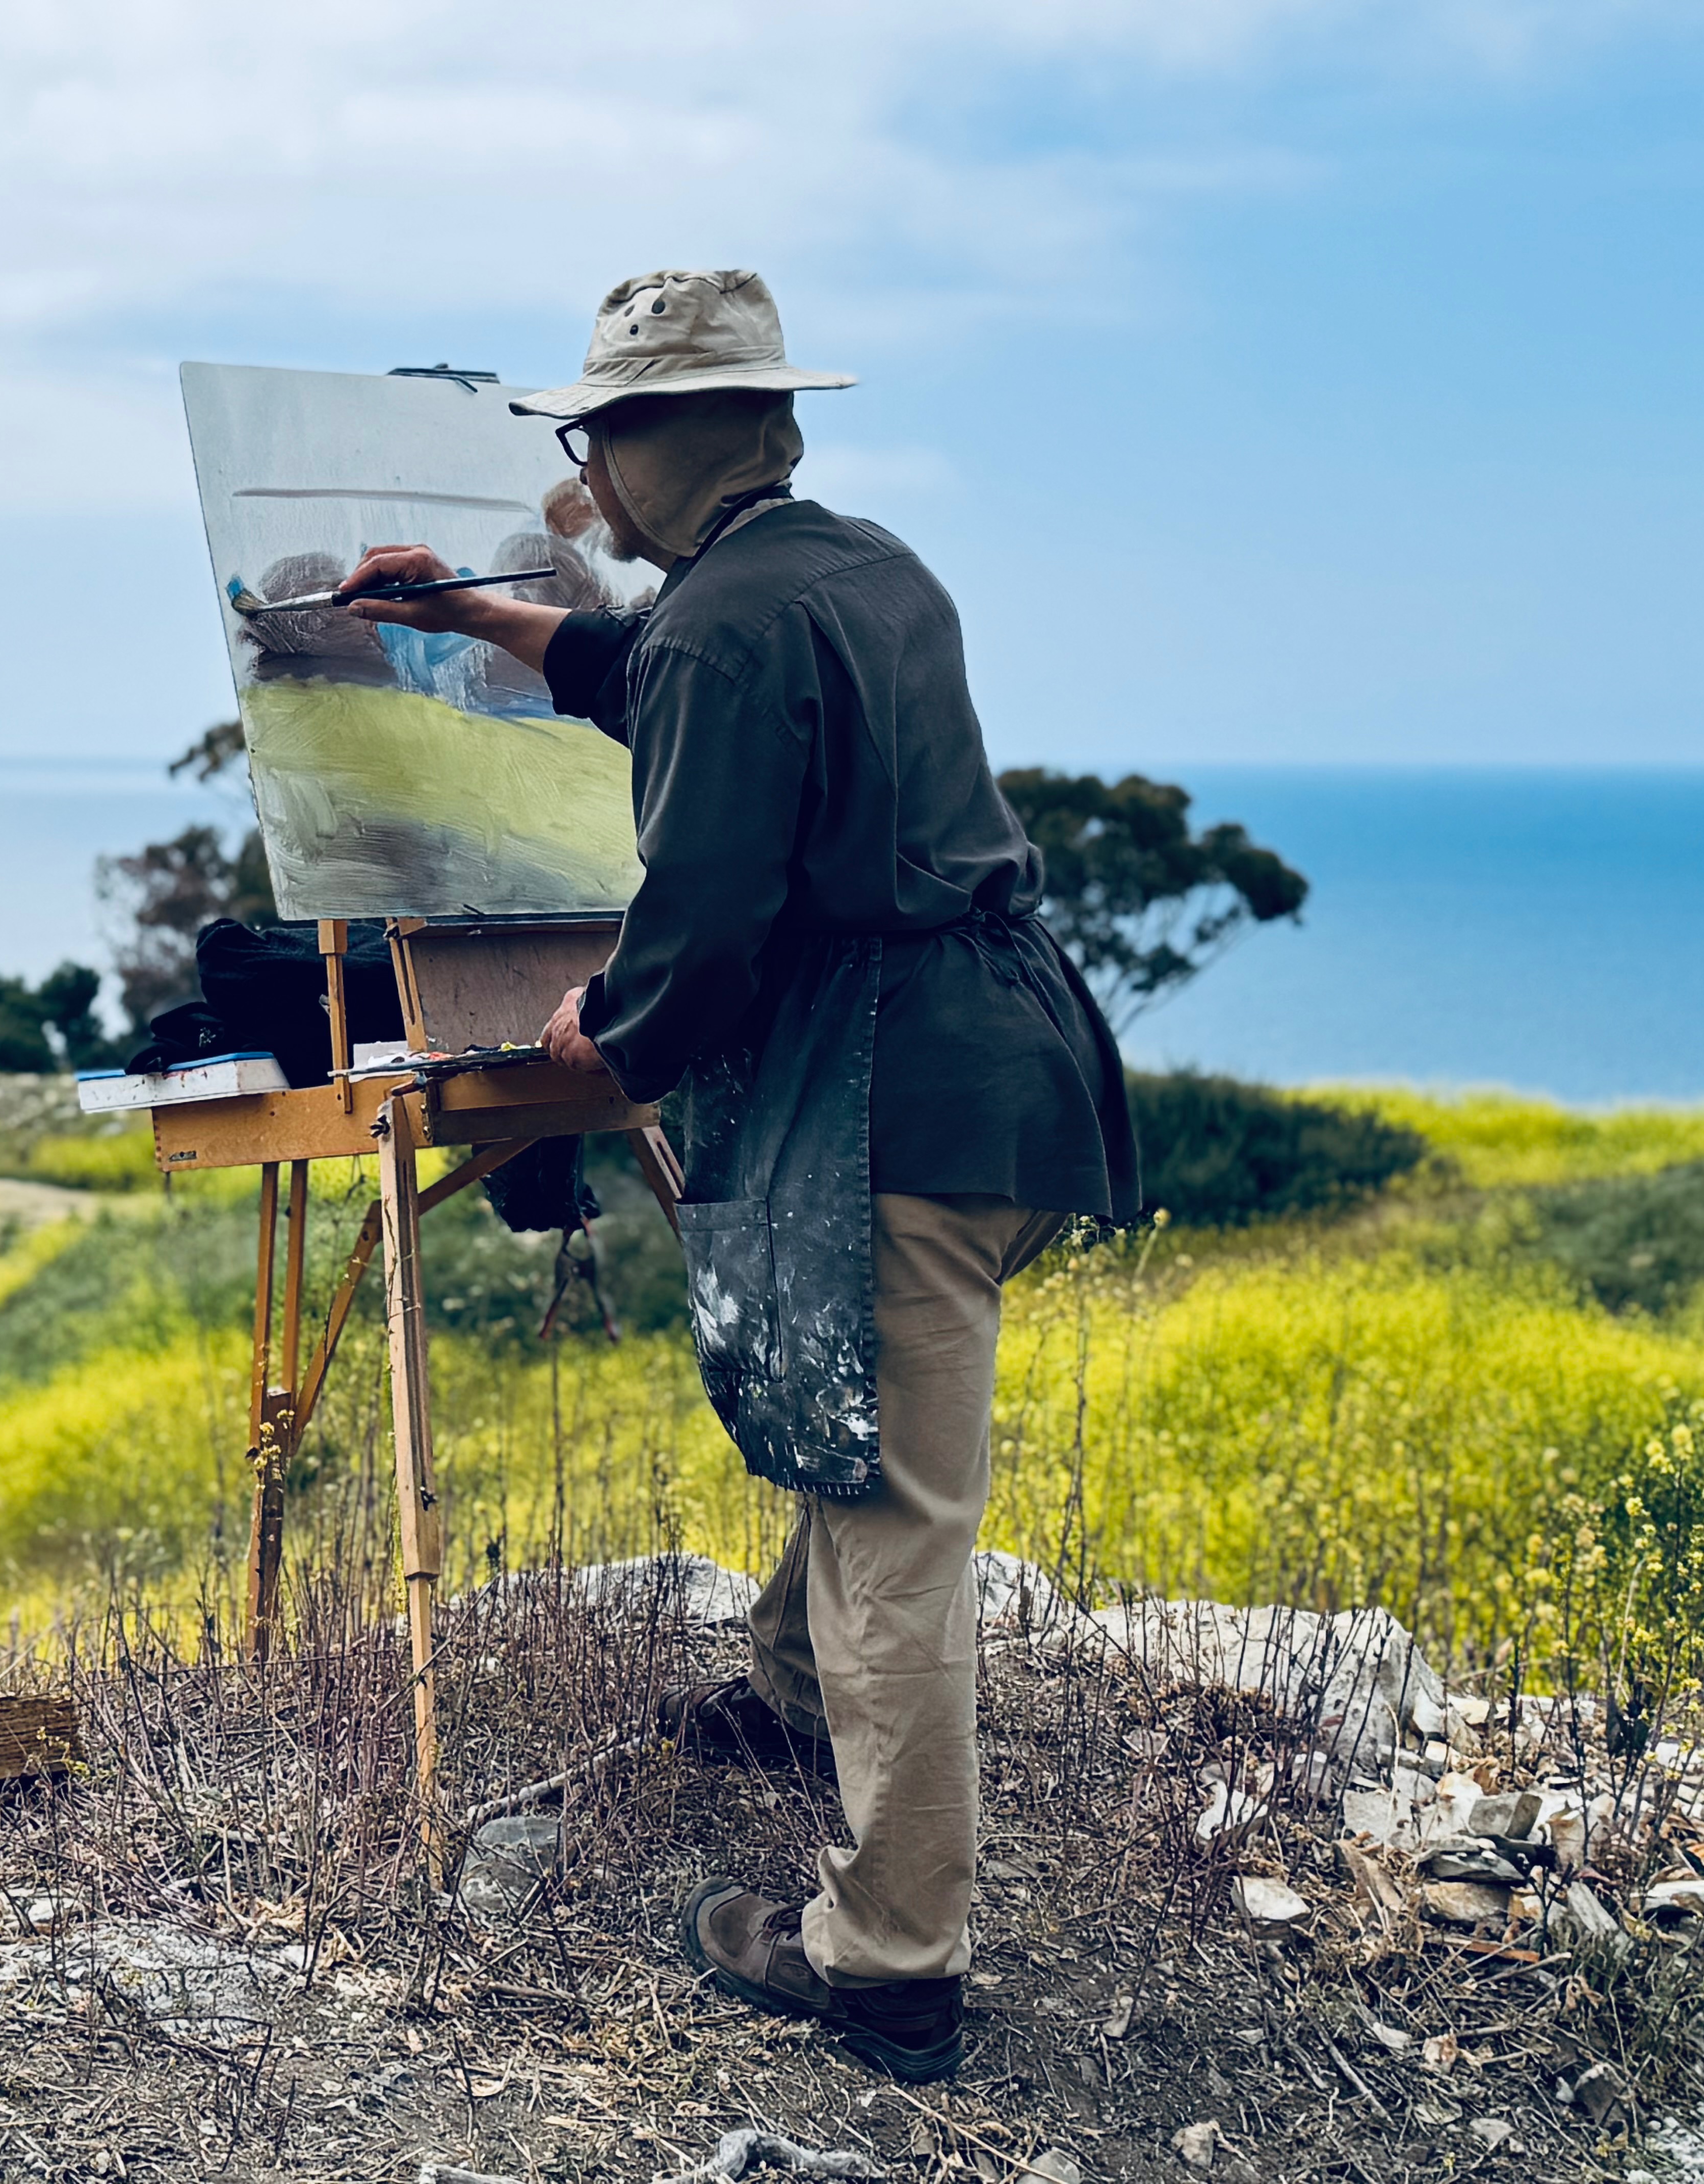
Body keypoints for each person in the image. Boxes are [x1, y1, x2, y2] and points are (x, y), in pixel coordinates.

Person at [340, 269, 1138, 2085]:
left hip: (896, 1102)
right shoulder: (863, 568)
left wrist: (597, 1044)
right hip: (994, 1075)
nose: (584, 479)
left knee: (893, 1530)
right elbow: (668, 676)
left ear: (641, 450)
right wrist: (482, 614)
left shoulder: (725, 625)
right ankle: (793, 1702)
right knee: (846, 1417)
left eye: (591, 441)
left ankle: (890, 1960)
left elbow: (697, 937)